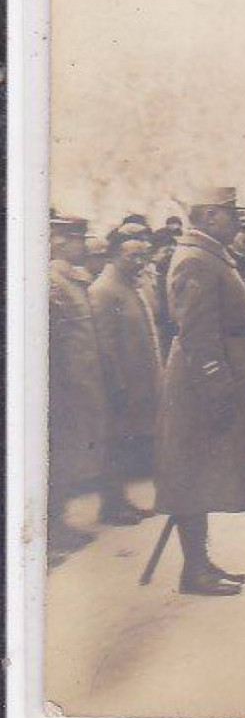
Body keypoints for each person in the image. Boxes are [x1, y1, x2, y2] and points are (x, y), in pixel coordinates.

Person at [154, 187, 245, 596]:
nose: (238, 221)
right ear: (208, 216)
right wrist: (217, 387)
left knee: (200, 471)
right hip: (201, 380)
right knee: (191, 471)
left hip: (215, 373)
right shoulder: (195, 259)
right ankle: (194, 571)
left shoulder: (210, 254)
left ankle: (200, 563)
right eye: (231, 214)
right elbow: (197, 333)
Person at [88, 235, 164, 524]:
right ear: (116, 255)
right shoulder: (105, 290)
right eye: (134, 255)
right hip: (119, 385)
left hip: (138, 382)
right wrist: (117, 384)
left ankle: (120, 502)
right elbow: (105, 345)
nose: (141, 262)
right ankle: (111, 505)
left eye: (144, 255)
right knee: (114, 443)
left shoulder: (131, 286)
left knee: (124, 442)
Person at [48, 214, 108, 551]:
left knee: (71, 455)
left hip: (82, 380)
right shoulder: (54, 280)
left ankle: (59, 524)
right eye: (76, 239)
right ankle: (54, 529)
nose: (82, 246)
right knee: (60, 456)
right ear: (58, 240)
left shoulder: (73, 278)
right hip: (67, 385)